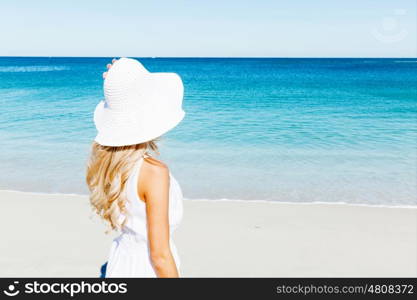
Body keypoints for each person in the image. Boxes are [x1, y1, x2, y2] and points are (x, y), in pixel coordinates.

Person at [86, 57, 185, 277]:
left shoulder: (110, 163)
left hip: (119, 265)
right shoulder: (154, 173)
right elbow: (159, 256)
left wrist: (121, 81)